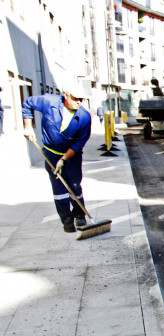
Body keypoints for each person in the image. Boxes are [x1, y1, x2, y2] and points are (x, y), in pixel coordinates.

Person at [23, 83, 92, 233]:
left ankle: (80, 214)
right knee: (59, 188)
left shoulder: (84, 117)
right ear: (66, 95)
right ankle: (67, 221)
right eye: (76, 98)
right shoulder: (49, 102)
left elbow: (78, 143)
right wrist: (28, 126)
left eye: (82, 99)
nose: (79, 102)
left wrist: (64, 159)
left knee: (74, 185)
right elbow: (27, 104)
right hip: (51, 154)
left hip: (72, 156)